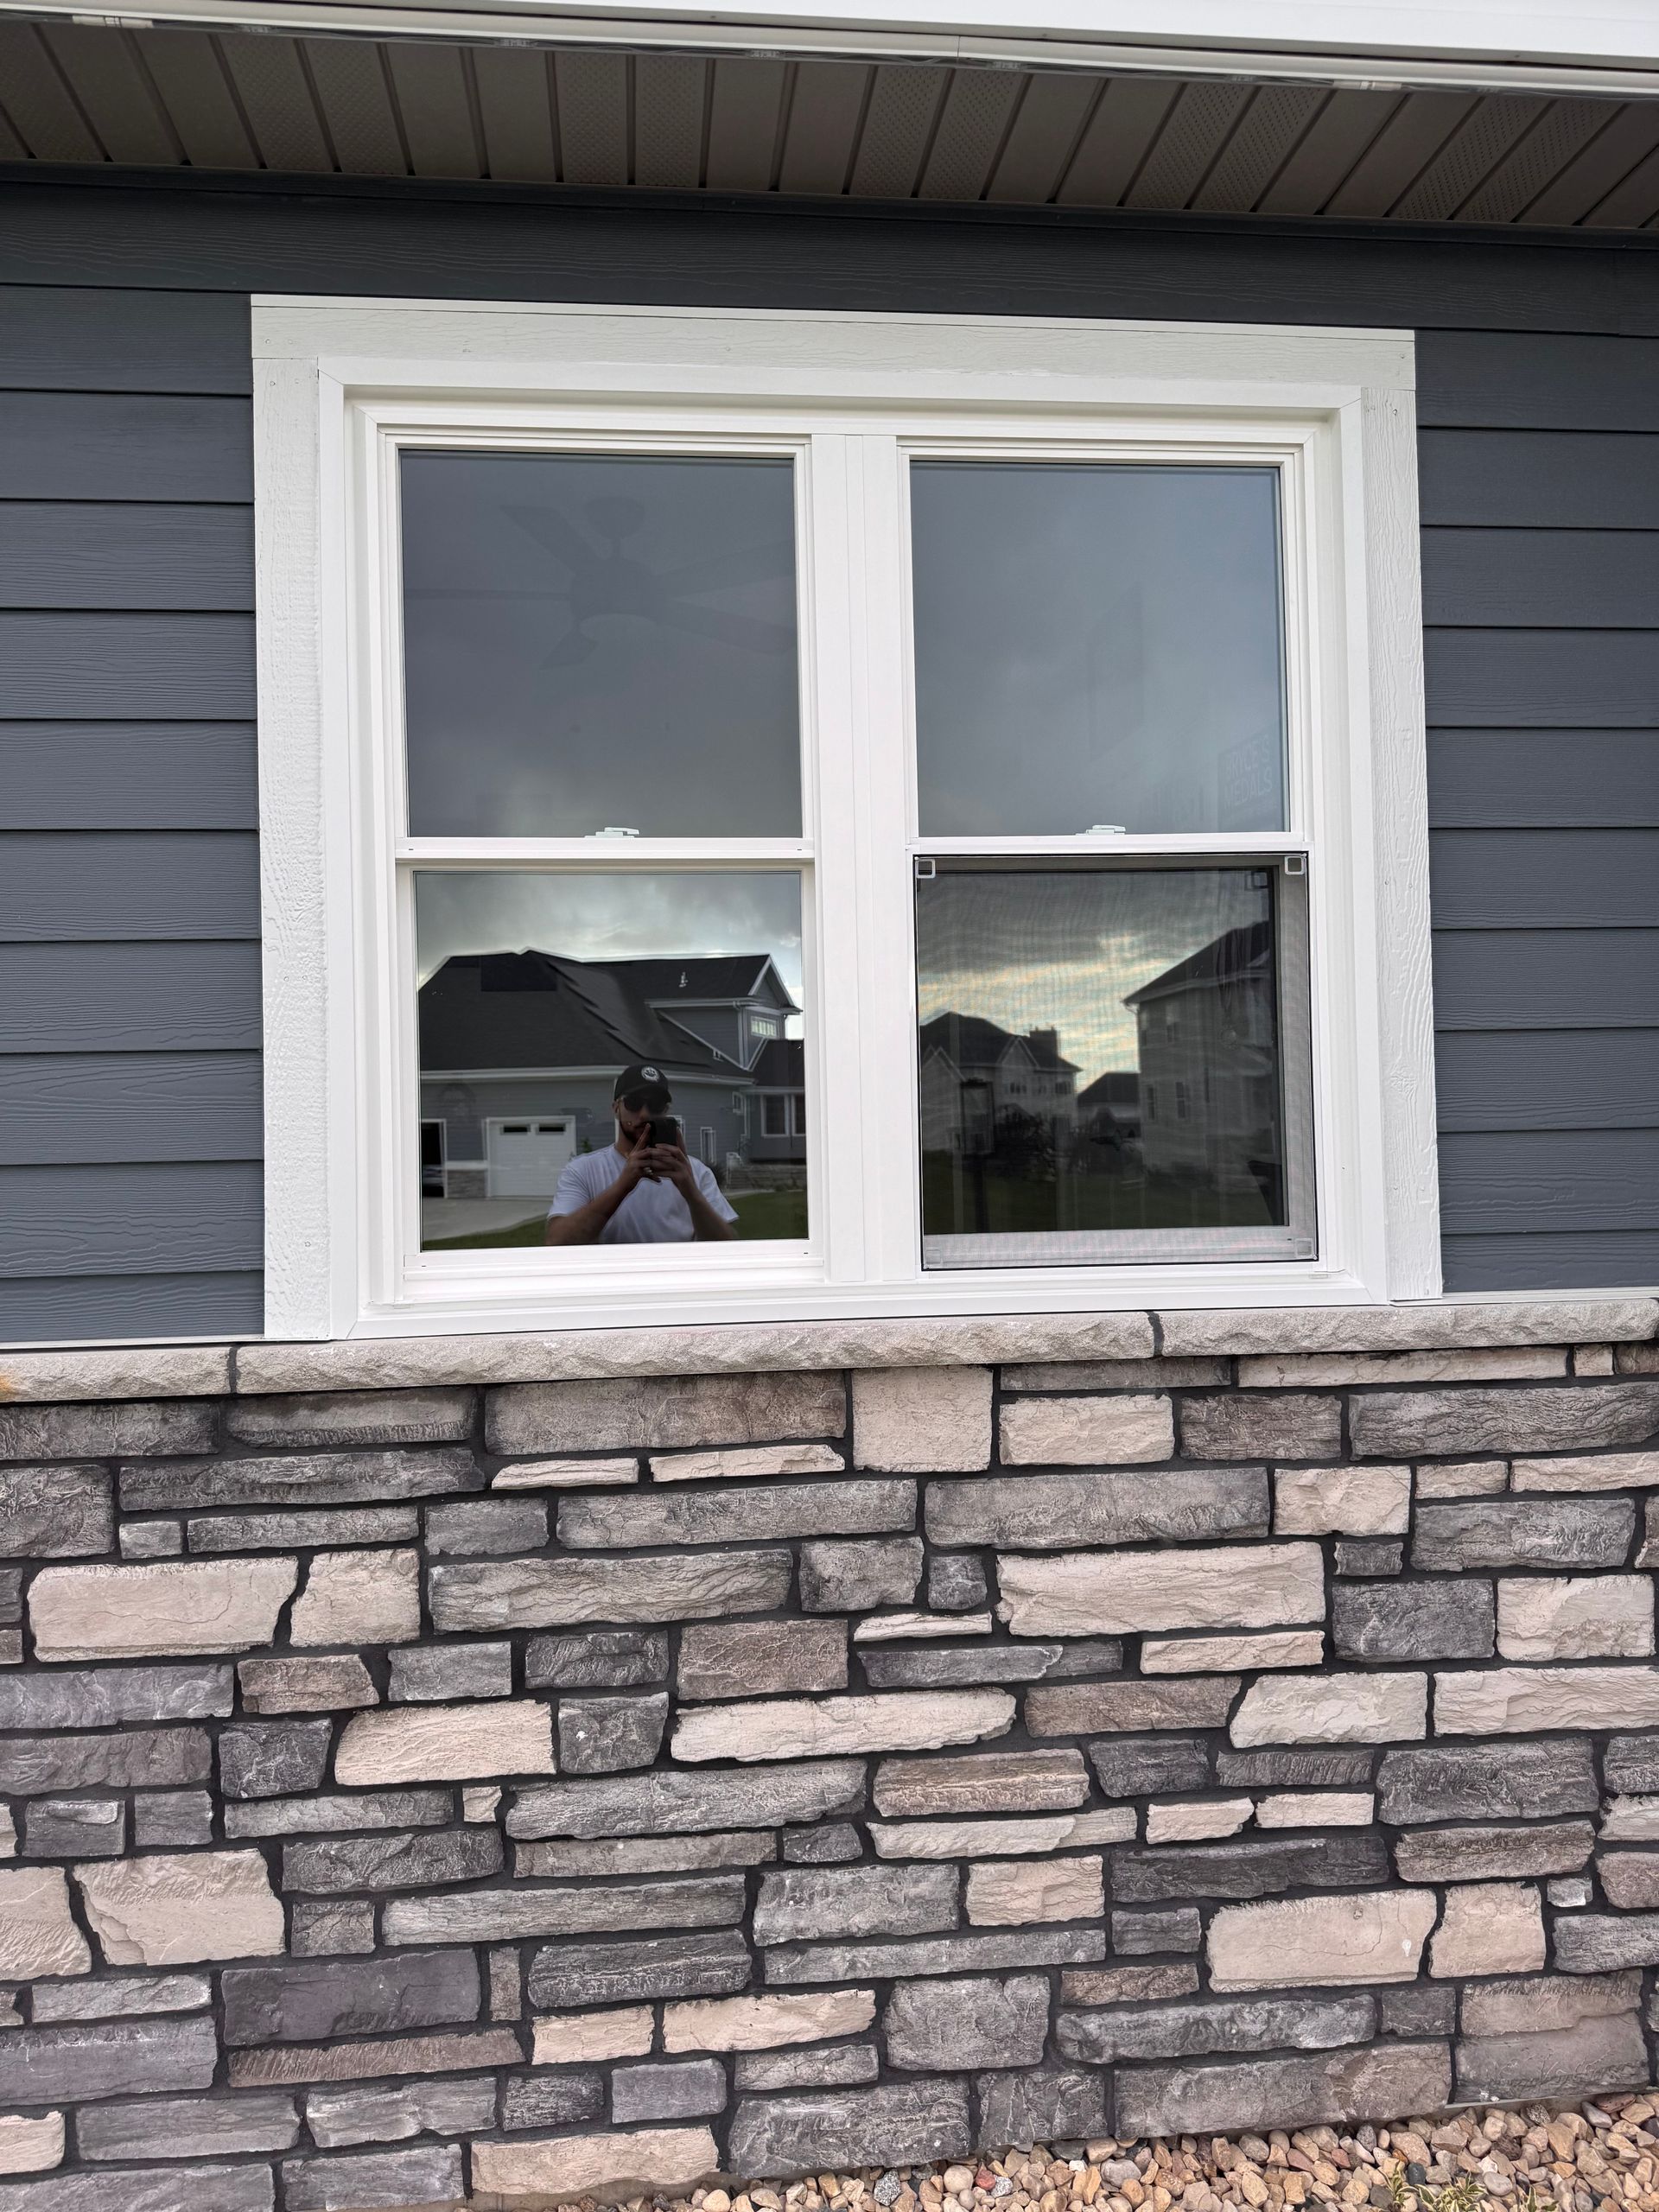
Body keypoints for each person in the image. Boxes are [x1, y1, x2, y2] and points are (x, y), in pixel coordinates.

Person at [545, 1064, 738, 1245]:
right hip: (614, 1279)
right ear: (616, 1108)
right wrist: (623, 1185)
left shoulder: (695, 1171)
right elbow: (557, 1242)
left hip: (676, 1279)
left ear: (666, 1110)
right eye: (634, 1102)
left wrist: (691, 1192)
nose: (644, 1114)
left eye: (655, 1104)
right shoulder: (583, 1170)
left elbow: (728, 1248)